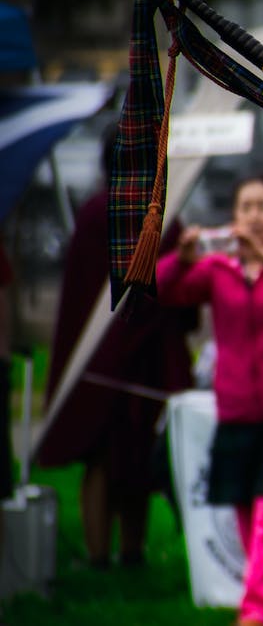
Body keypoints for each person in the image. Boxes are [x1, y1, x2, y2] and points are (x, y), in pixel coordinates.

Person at [157, 174, 263, 626]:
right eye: (245, 206)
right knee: (246, 509)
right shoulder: (218, 267)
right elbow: (166, 291)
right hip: (238, 409)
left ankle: (257, 612)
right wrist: (181, 261)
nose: (253, 216)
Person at [40, 123, 196, 569]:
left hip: (145, 353)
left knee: (138, 457)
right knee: (105, 454)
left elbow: (171, 284)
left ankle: (130, 554)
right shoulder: (100, 214)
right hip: (105, 360)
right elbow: (90, 295)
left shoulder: (161, 213)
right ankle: (99, 556)